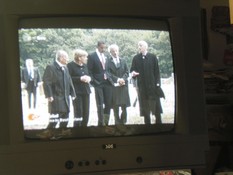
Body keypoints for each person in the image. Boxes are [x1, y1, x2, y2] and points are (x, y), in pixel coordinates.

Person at [130, 41, 164, 124]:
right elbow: (132, 70)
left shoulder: (153, 57)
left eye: (140, 45)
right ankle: (147, 126)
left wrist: (157, 84)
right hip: (142, 88)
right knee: (145, 109)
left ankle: (159, 125)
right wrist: (133, 73)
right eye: (138, 46)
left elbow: (157, 72)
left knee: (156, 108)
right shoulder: (136, 58)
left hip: (153, 87)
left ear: (146, 47)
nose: (139, 47)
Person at [43, 50, 76, 129]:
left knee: (65, 120)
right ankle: (47, 136)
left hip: (65, 98)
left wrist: (73, 93)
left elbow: (69, 80)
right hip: (56, 98)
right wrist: (49, 95)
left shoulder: (65, 68)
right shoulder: (51, 67)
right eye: (66, 58)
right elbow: (47, 82)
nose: (68, 59)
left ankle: (61, 136)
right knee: (53, 122)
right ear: (61, 58)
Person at [87, 41, 113, 126]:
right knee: (100, 104)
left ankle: (106, 123)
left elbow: (108, 70)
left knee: (108, 104)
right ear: (97, 47)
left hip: (107, 83)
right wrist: (94, 82)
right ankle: (101, 124)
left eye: (105, 48)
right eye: (102, 48)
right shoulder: (92, 56)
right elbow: (89, 71)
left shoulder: (106, 56)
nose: (103, 49)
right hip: (98, 84)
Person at [106, 44, 130, 125]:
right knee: (115, 107)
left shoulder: (123, 60)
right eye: (113, 51)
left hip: (123, 86)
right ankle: (117, 123)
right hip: (114, 87)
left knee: (124, 106)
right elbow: (108, 73)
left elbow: (127, 71)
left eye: (116, 51)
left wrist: (123, 79)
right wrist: (118, 79)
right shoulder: (108, 62)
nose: (115, 53)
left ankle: (123, 122)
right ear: (110, 53)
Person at [67, 49, 91, 127]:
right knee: (78, 113)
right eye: (85, 57)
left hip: (86, 91)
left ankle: (85, 130)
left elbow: (89, 75)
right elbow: (68, 79)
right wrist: (80, 78)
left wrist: (89, 78)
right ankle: (77, 130)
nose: (86, 58)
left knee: (86, 113)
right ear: (79, 57)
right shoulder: (70, 65)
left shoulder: (85, 65)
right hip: (77, 93)